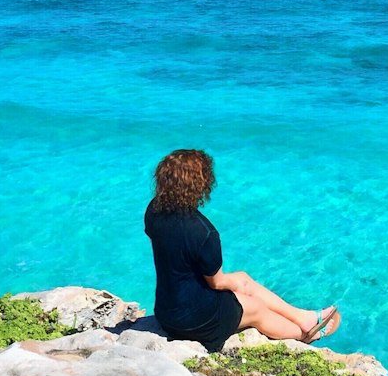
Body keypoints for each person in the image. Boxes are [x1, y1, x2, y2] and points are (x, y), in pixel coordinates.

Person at [144, 148, 340, 353]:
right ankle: (305, 335)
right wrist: (235, 285)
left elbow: (171, 254)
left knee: (244, 279)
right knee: (256, 309)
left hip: (166, 311)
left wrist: (239, 283)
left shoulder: (154, 211)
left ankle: (304, 318)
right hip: (195, 321)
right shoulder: (204, 232)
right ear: (200, 185)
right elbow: (217, 282)